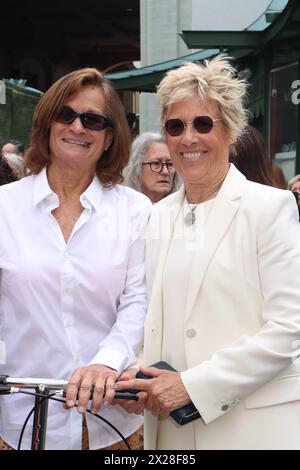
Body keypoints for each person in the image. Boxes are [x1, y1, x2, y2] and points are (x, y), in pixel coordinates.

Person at [116, 55, 300, 450]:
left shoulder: (269, 208)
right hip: (170, 433)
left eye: (203, 124)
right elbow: (153, 317)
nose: (188, 138)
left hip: (251, 430)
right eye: (175, 126)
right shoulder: (158, 215)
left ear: (230, 131)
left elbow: (288, 330)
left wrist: (191, 387)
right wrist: (139, 379)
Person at [0, 68, 151, 450]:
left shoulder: (135, 210)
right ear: (47, 124)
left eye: (93, 120)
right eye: (65, 115)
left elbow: (139, 300)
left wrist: (107, 363)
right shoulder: (5, 208)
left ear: (110, 136)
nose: (77, 127)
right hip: (18, 421)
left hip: (110, 423)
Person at [123, 132, 179, 203]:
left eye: (170, 164)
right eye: (156, 163)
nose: (165, 171)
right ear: (137, 168)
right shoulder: (123, 209)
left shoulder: (183, 210)